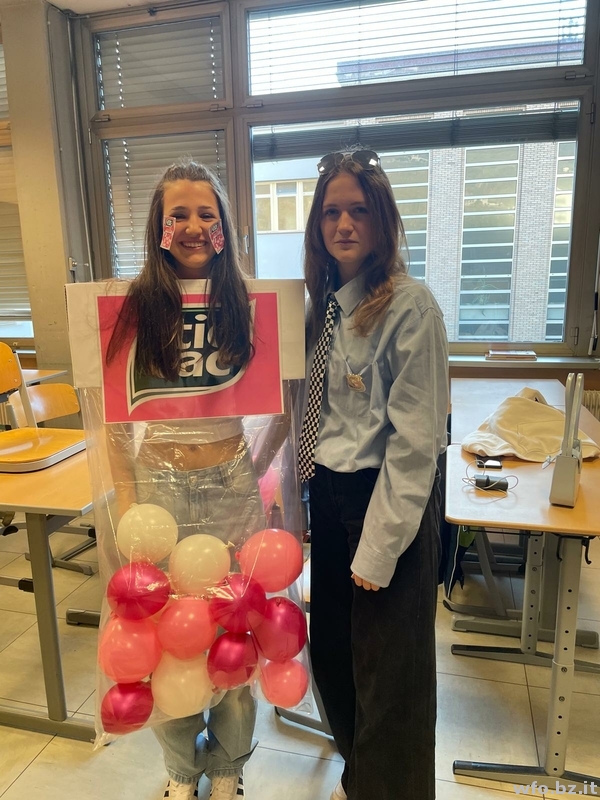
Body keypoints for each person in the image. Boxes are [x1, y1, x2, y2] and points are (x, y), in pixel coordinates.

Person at [105, 160, 274, 800]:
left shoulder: (249, 302)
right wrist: (127, 499)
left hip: (231, 481)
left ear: (224, 225)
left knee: (236, 629)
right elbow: (113, 418)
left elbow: (286, 398)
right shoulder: (130, 306)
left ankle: (228, 766)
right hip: (158, 488)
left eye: (207, 213)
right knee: (167, 636)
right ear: (160, 226)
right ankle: (181, 769)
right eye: (179, 214)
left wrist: (260, 466)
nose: (194, 226)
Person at [298, 149, 449, 800]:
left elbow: (416, 442)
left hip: (385, 498)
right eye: (331, 212)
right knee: (334, 655)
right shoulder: (322, 307)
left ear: (382, 220)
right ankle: (363, 776)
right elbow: (310, 411)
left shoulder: (410, 307)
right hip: (331, 494)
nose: (344, 224)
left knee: (392, 678)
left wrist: (381, 546)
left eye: (359, 210)